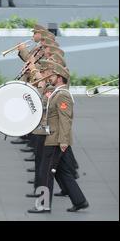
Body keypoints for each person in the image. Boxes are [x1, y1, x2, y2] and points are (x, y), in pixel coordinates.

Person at [28, 63, 89, 213]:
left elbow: (65, 120)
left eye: (53, 75)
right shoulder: (55, 92)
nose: (50, 77)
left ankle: (43, 205)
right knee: (62, 172)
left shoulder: (63, 95)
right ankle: (79, 200)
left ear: (60, 78)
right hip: (52, 137)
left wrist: (63, 141)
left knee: (45, 173)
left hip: (55, 140)